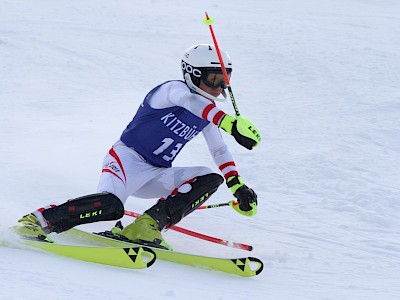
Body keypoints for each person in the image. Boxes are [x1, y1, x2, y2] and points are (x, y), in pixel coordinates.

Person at [15, 44, 260, 250]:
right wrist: (228, 122)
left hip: (156, 173)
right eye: (214, 78)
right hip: (126, 160)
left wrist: (237, 185)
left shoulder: (209, 112)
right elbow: (189, 101)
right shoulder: (173, 90)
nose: (219, 88)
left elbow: (219, 151)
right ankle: (37, 220)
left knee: (210, 178)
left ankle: (147, 225)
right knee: (111, 207)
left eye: (225, 79)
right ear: (193, 74)